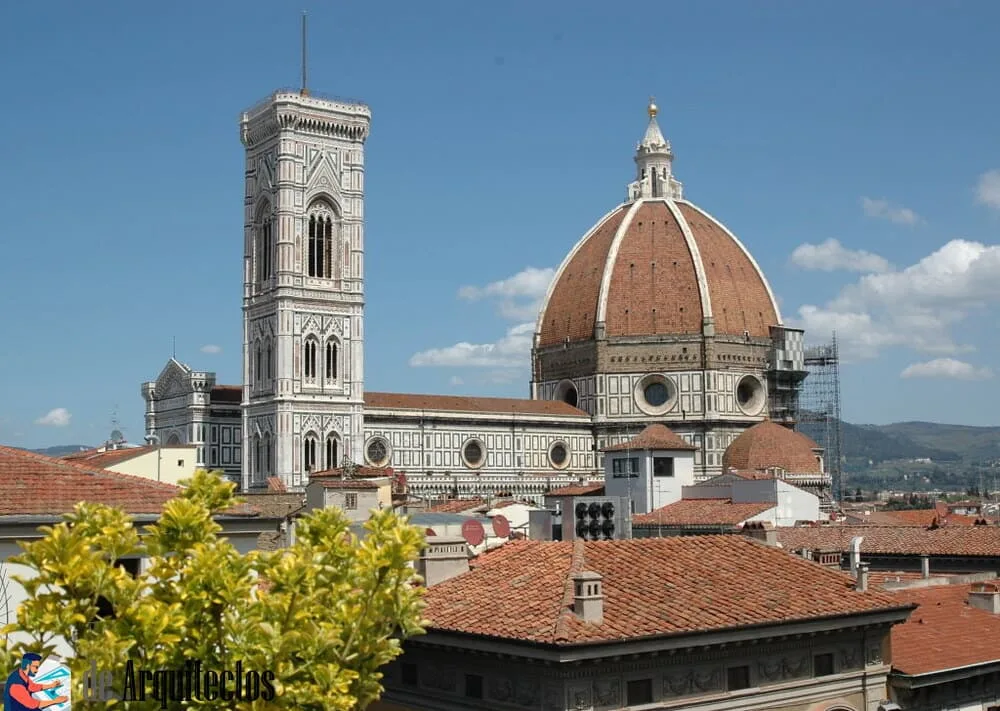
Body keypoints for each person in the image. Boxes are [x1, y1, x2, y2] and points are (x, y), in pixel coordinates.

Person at [3, 653, 68, 711]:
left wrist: (51, 685)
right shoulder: (16, 685)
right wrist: (55, 701)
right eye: (36, 667)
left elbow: (32, 687)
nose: (37, 670)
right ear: (28, 666)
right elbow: (32, 704)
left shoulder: (22, 674)